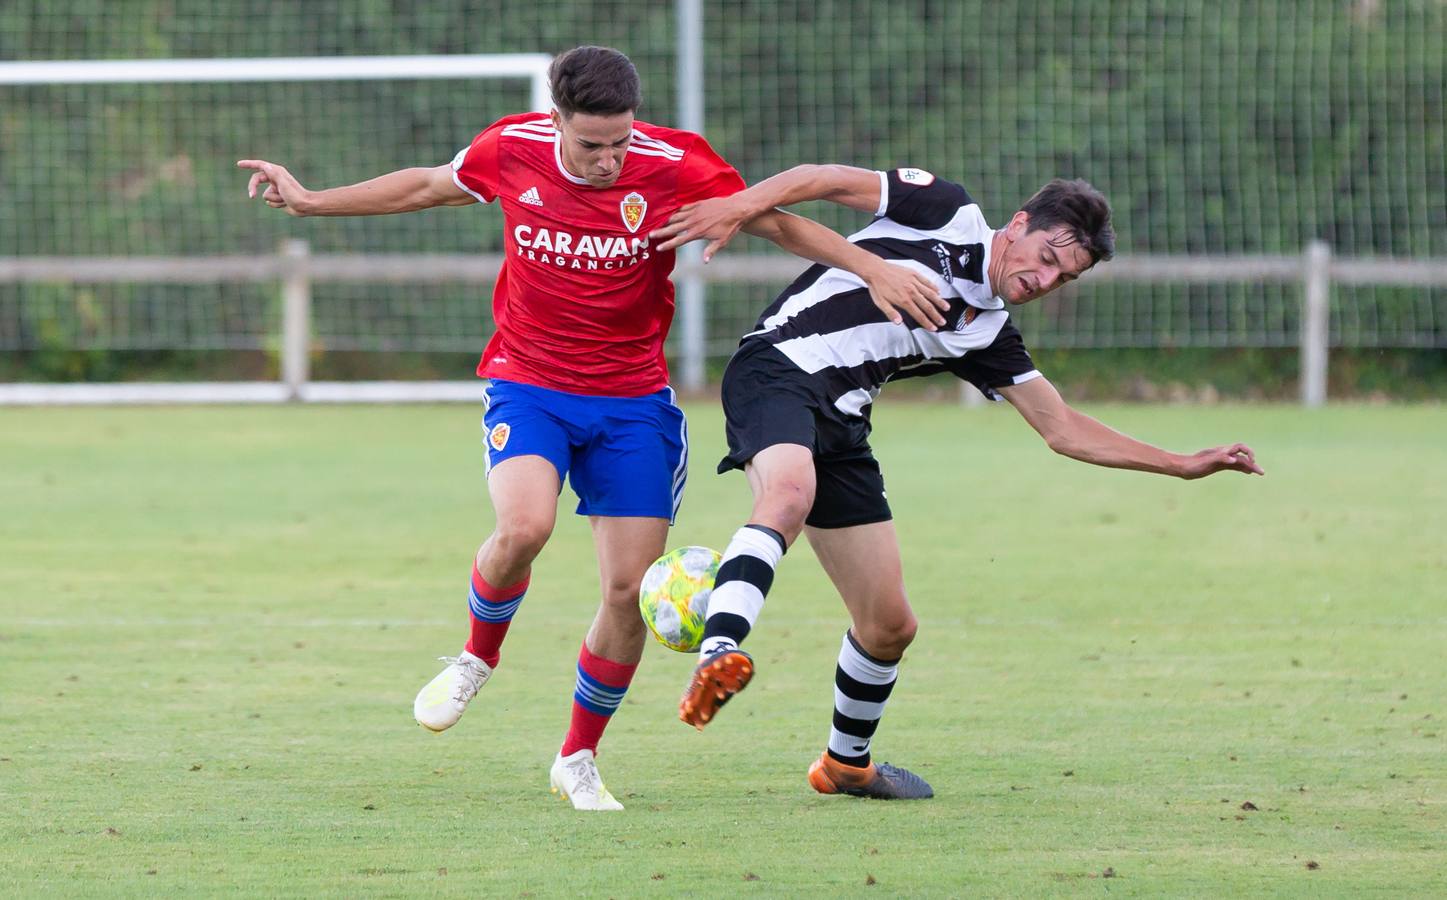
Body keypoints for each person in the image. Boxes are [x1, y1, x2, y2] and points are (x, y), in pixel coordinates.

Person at [237, 49, 943, 811]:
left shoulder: (674, 163)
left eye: (619, 143)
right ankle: (477, 658)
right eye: (590, 146)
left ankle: (576, 757)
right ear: (555, 123)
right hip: (528, 384)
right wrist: (311, 201)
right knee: (524, 527)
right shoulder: (510, 148)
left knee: (625, 590)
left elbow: (773, 222)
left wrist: (869, 267)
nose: (609, 161)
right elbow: (426, 185)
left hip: (633, 403)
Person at [649, 164, 1264, 800]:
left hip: (844, 417)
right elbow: (822, 179)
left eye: (1064, 277)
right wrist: (747, 209)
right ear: (1020, 225)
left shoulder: (987, 332)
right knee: (787, 495)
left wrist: (1182, 463)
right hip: (777, 368)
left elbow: (1063, 428)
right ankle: (718, 650)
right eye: (1048, 257)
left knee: (889, 625)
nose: (1044, 280)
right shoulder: (945, 210)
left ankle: (845, 766)